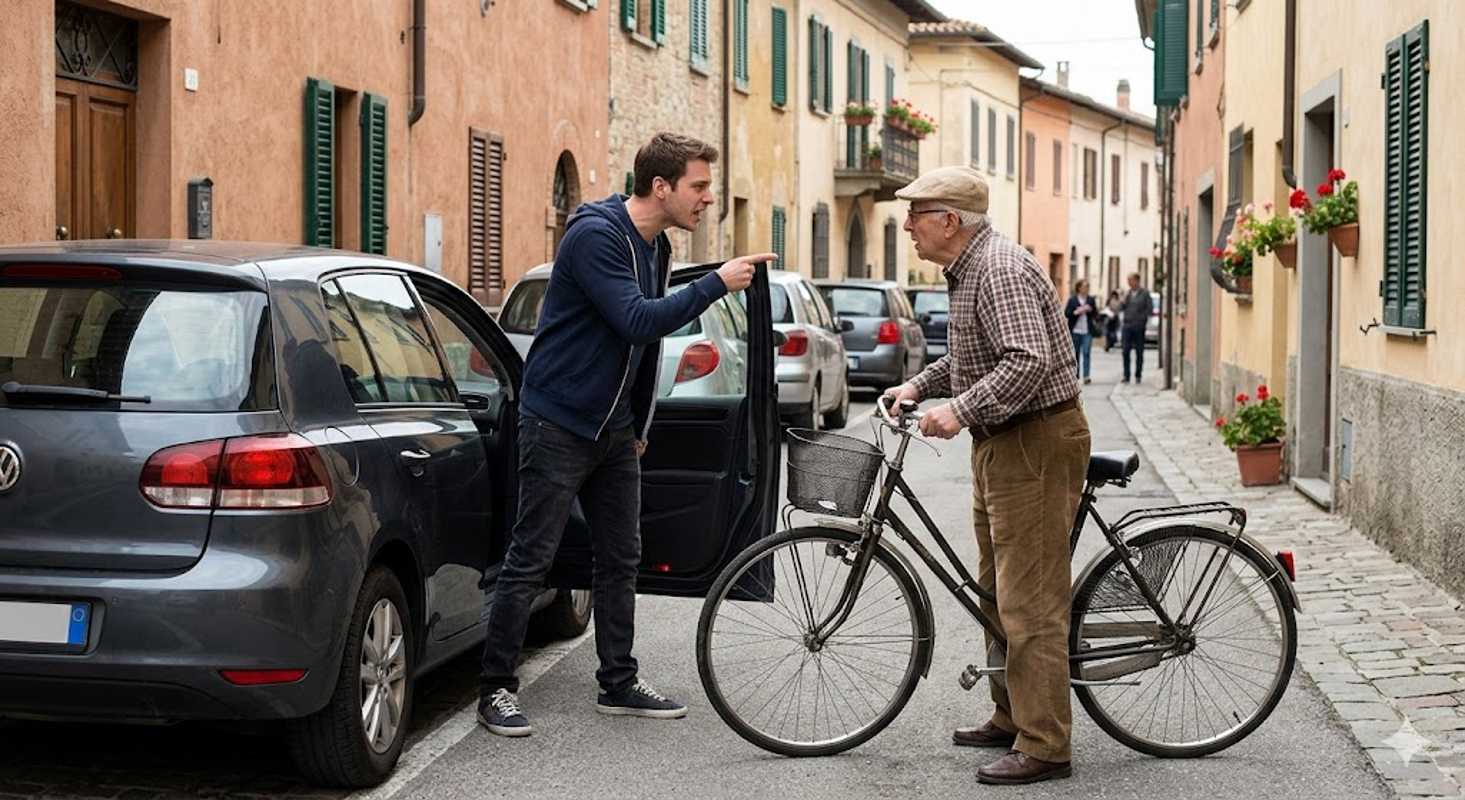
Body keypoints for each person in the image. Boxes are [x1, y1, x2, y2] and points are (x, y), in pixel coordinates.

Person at [477, 133, 775, 737]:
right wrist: (717, 282)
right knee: (530, 558)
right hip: (558, 422)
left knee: (622, 558)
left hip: (612, 431)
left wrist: (639, 424)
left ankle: (618, 683)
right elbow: (635, 317)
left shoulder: (656, 246)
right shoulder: (596, 235)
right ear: (660, 187)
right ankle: (496, 690)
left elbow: (644, 345)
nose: (708, 199)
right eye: (699, 187)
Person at [884, 165, 1091, 785]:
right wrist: (920, 385)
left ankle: (1047, 743)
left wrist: (960, 411)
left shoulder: (998, 268)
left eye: (916, 215)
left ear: (950, 220)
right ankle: (1011, 714)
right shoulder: (971, 268)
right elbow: (977, 355)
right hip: (1004, 442)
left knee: (1030, 601)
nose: (907, 226)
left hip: (1035, 440)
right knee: (996, 591)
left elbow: (1027, 361)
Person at [1119, 273, 1153, 384]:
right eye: (1128, 280)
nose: (1129, 282)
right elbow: (1120, 308)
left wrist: (1142, 319)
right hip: (1127, 325)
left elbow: (1149, 309)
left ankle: (1138, 374)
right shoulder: (1127, 294)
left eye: (1131, 280)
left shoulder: (1145, 294)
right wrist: (1123, 300)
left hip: (1139, 325)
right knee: (1125, 350)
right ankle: (1126, 375)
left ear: (1137, 281)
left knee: (1139, 351)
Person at [1064, 280, 1099, 385]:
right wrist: (1076, 312)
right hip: (1075, 330)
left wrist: (1090, 310)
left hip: (1087, 330)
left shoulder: (1090, 300)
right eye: (1085, 286)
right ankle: (1076, 374)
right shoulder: (1073, 300)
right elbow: (1067, 313)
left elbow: (1096, 315)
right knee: (1076, 353)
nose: (1087, 288)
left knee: (1086, 352)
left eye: (1088, 286)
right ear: (1079, 288)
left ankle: (1086, 375)